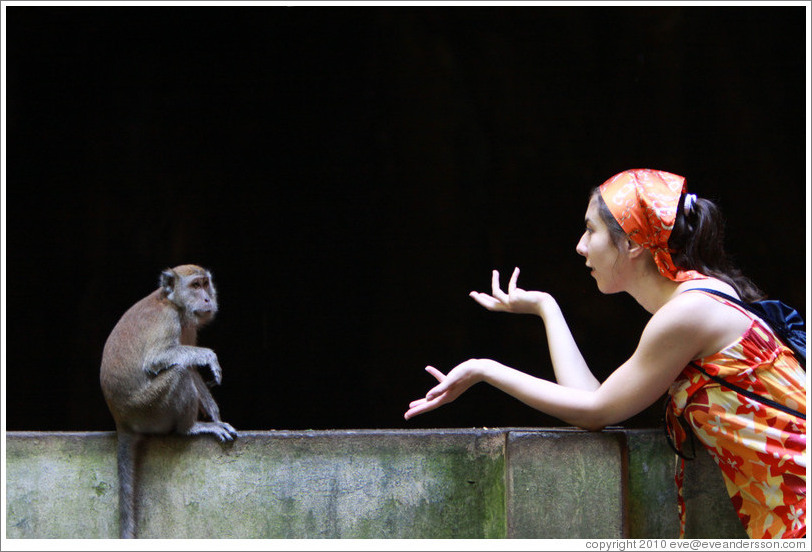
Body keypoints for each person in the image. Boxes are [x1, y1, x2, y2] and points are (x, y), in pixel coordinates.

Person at [404, 169, 806, 539]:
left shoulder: (687, 313)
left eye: (590, 230)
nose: (580, 247)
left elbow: (595, 411)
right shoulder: (701, 299)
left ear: (630, 243)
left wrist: (484, 369)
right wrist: (547, 307)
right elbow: (594, 402)